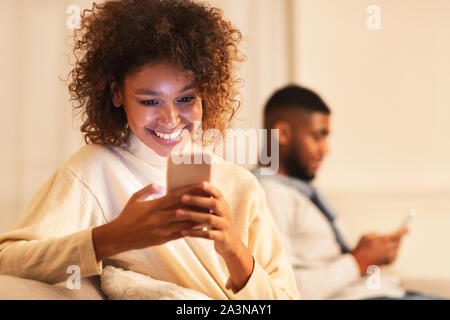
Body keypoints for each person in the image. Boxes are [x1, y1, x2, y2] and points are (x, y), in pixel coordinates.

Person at [0, 0, 298, 300]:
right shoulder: (94, 170)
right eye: (150, 101)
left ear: (205, 93)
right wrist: (111, 239)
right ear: (117, 93)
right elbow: (7, 261)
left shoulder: (242, 186)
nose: (170, 119)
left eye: (185, 99)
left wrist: (234, 249)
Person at [254, 84, 440, 300]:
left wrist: (368, 255)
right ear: (283, 134)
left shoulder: (300, 191)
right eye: (317, 137)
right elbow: (285, 290)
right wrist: (359, 260)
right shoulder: (269, 193)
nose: (326, 149)